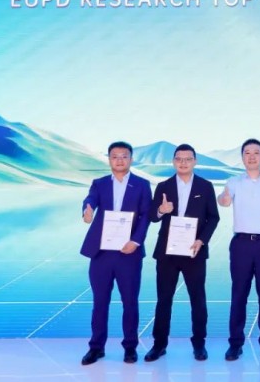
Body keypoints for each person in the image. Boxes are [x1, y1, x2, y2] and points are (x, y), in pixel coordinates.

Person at [144, 144, 220, 362]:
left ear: (195, 161)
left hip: (194, 251)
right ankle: (159, 345)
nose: (183, 163)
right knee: (164, 299)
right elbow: (152, 216)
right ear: (173, 161)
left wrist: (201, 240)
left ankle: (199, 344)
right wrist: (161, 210)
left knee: (198, 299)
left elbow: (213, 217)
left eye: (188, 159)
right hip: (167, 253)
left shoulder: (205, 186)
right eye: (179, 159)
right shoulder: (163, 186)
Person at [79, 141, 151, 365]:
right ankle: (96, 347)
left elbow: (146, 216)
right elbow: (90, 200)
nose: (119, 160)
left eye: (124, 156)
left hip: (128, 252)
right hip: (101, 252)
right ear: (109, 159)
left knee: (130, 302)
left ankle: (130, 347)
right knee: (100, 302)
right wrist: (87, 210)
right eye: (115, 156)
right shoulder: (99, 183)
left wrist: (136, 241)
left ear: (131, 159)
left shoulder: (142, 184)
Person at [218, 138, 260, 362]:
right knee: (239, 295)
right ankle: (235, 344)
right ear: (242, 157)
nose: (251, 157)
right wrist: (223, 198)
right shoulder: (234, 182)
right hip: (241, 245)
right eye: (247, 153)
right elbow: (224, 200)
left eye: (256, 152)